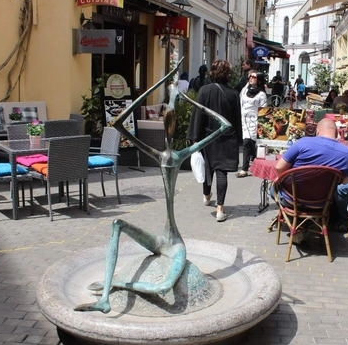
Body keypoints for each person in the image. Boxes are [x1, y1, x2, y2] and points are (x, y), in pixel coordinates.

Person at [75, 65, 233, 314]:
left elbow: (225, 125)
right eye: (167, 127)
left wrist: (185, 99)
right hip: (160, 240)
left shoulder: (180, 153)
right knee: (118, 224)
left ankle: (116, 283)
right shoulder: (159, 154)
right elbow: (118, 123)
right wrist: (160, 87)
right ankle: (105, 298)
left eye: (169, 126)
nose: (169, 133)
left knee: (165, 286)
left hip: (175, 244)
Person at [274, 119, 348, 236]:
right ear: (337, 132)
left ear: (317, 131)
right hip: (322, 202)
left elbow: (279, 168)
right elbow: (344, 182)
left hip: (291, 199)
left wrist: (285, 182)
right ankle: (308, 225)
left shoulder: (303, 143)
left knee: (274, 189)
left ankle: (298, 225)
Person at [187, 60, 242, 222]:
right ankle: (220, 209)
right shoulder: (233, 94)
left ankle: (206, 195)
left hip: (207, 137)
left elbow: (198, 116)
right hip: (226, 138)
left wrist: (194, 138)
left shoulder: (204, 91)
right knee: (221, 172)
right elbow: (237, 119)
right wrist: (238, 139)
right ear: (227, 74)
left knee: (207, 168)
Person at [237, 70, 267, 178]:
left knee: (253, 144)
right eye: (250, 77)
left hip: (255, 121)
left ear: (258, 79)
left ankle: (256, 166)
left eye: (253, 77)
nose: (251, 78)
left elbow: (263, 110)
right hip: (245, 120)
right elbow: (240, 102)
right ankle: (244, 168)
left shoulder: (261, 94)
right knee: (246, 143)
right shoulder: (245, 91)